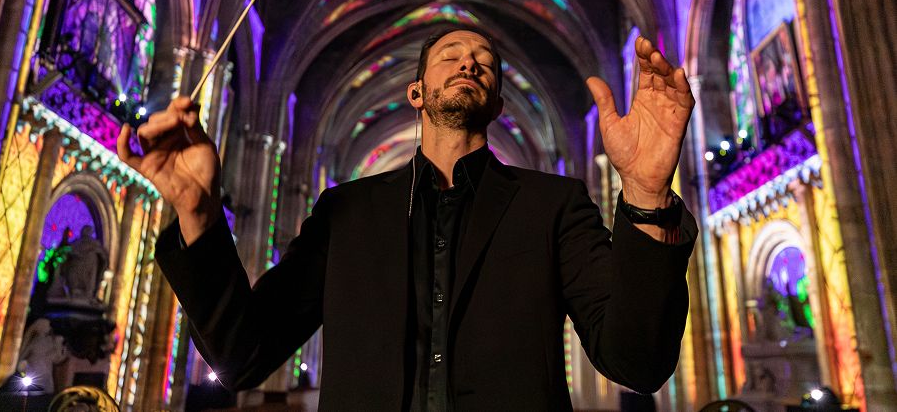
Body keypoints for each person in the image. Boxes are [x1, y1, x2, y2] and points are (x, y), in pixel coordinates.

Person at [118, 27, 698, 411]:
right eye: (451, 55)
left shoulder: (555, 205)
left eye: (485, 63)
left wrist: (646, 190)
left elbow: (636, 362)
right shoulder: (344, 212)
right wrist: (196, 212)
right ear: (417, 92)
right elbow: (243, 354)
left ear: (497, 103)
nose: (470, 61)